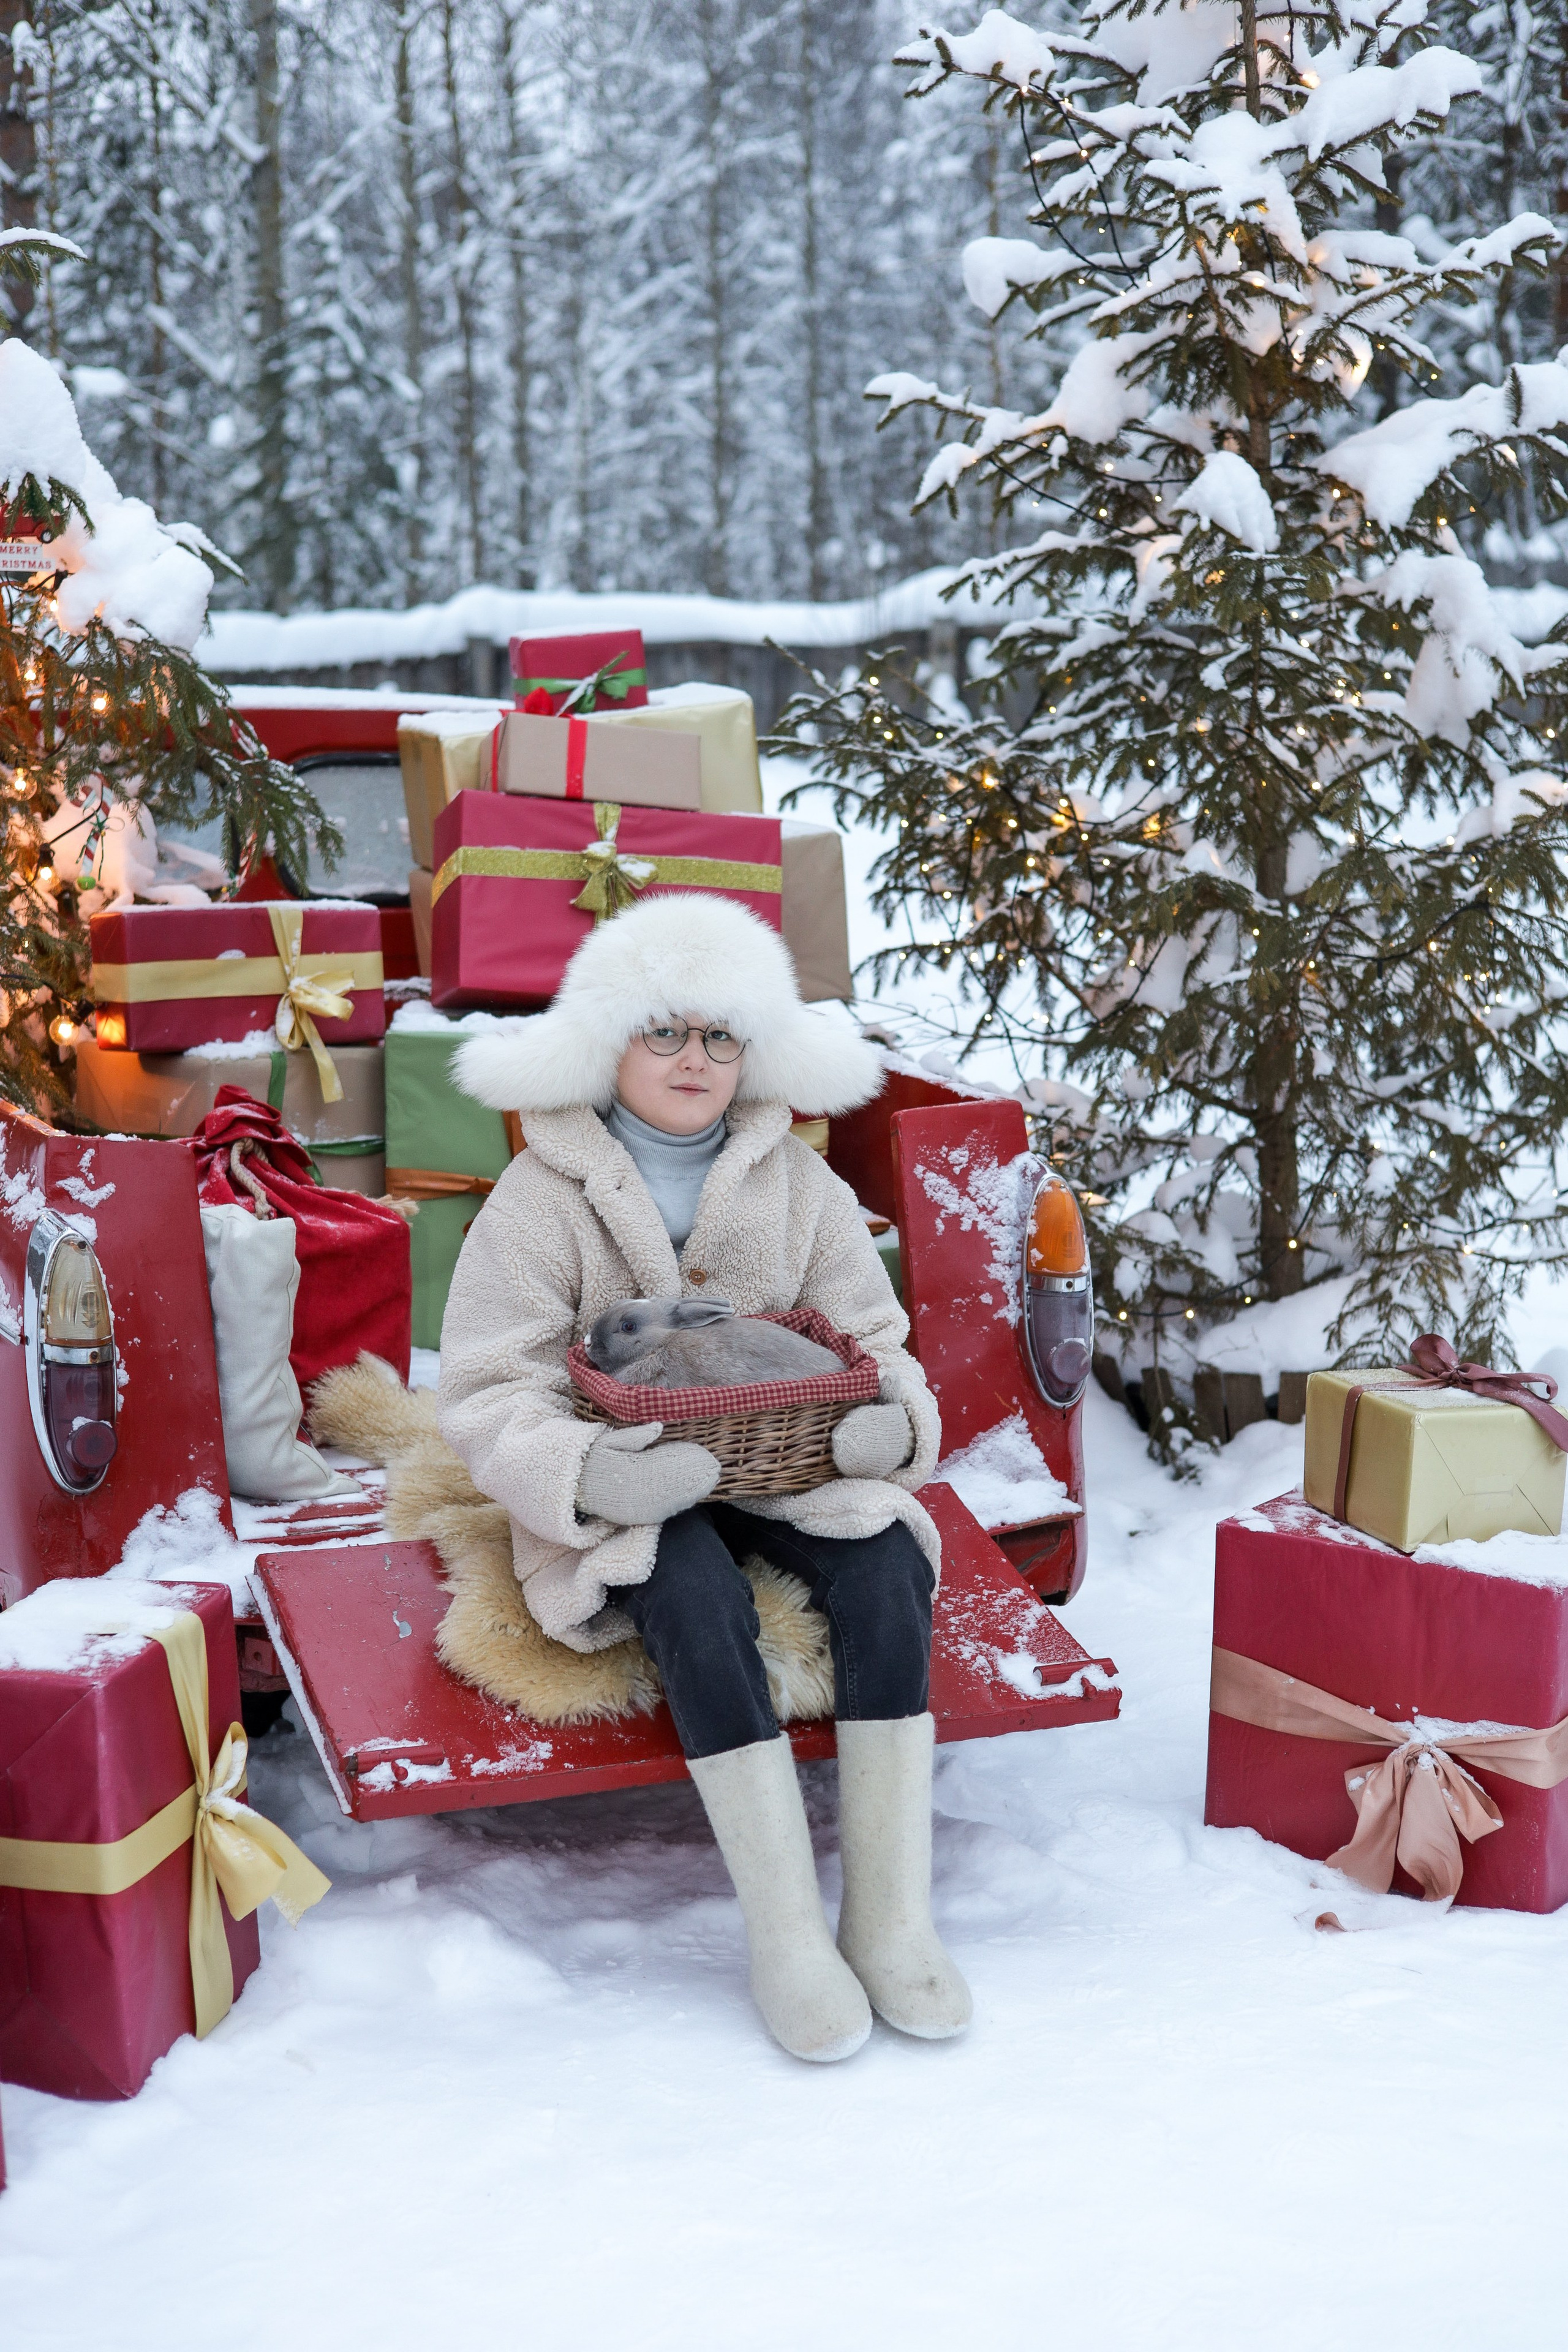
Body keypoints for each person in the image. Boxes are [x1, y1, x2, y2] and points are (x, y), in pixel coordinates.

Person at [439, 892, 971, 2062]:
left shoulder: (798, 1186)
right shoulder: (543, 1198)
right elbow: (483, 1384)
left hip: (787, 1466)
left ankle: (889, 1920)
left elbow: (873, 1339)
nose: (695, 1061)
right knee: (688, 1591)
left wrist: (886, 1423)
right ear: (608, 1044)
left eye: (721, 1036)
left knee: (885, 1564)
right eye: (666, 1032)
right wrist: (583, 1471)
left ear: (755, 1050)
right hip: (635, 1477)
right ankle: (785, 1935)